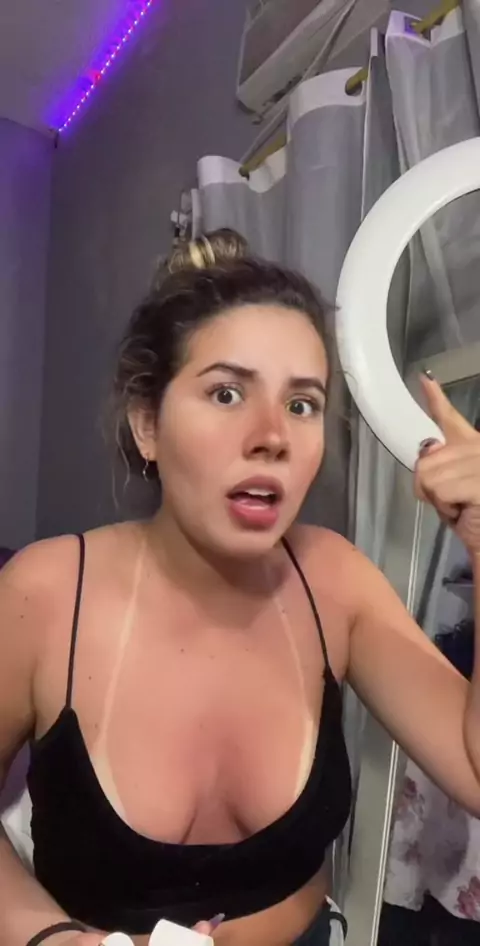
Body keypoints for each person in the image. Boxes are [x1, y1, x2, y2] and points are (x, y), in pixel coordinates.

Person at [0, 230, 479, 946]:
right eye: (226, 393)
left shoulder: (335, 582)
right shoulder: (45, 593)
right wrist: (52, 939)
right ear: (147, 425)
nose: (272, 435)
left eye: (302, 404)